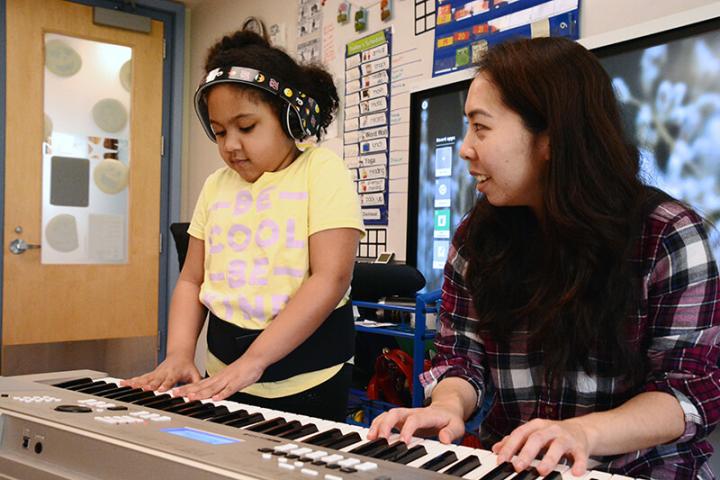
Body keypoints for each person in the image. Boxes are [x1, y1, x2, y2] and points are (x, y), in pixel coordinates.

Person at [368, 37, 720, 479]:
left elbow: (688, 390)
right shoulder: (477, 238)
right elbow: (462, 357)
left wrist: (583, 434)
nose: (464, 148)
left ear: (551, 137)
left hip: (643, 470)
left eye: (481, 127)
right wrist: (448, 405)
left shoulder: (668, 235)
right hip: (517, 467)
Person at [124, 30, 364, 422]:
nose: (231, 145)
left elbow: (330, 278)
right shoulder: (216, 186)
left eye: (246, 127)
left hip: (308, 381)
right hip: (224, 374)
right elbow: (191, 281)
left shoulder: (321, 170)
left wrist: (255, 360)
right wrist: (181, 354)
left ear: (289, 117)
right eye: (219, 132)